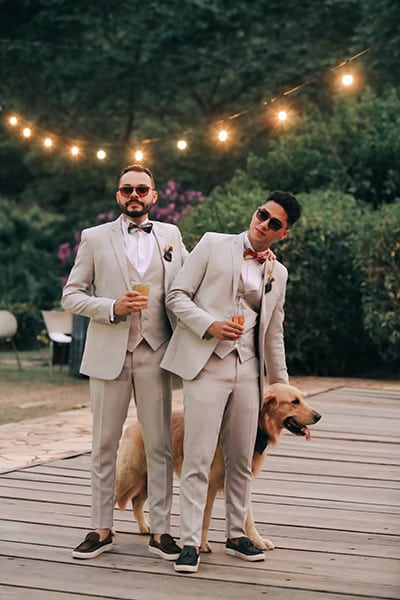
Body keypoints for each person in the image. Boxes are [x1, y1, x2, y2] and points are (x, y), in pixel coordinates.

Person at [160, 190, 302, 573]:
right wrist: (209, 324)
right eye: (262, 214)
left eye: (275, 223)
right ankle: (190, 542)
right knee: (199, 456)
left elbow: (273, 334)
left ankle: (237, 535)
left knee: (242, 456)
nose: (264, 224)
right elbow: (176, 295)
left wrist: (282, 387)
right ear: (254, 212)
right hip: (207, 364)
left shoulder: (279, 273)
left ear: (282, 233)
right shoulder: (212, 244)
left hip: (249, 371)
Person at [62, 164, 188, 561]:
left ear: (154, 195)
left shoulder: (171, 235)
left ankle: (162, 530)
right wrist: (111, 306)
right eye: (127, 189)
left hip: (156, 352)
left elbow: (187, 286)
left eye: (142, 189)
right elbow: (72, 295)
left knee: (161, 445)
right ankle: (101, 529)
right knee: (103, 444)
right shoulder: (94, 238)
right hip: (108, 356)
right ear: (118, 195)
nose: (134, 195)